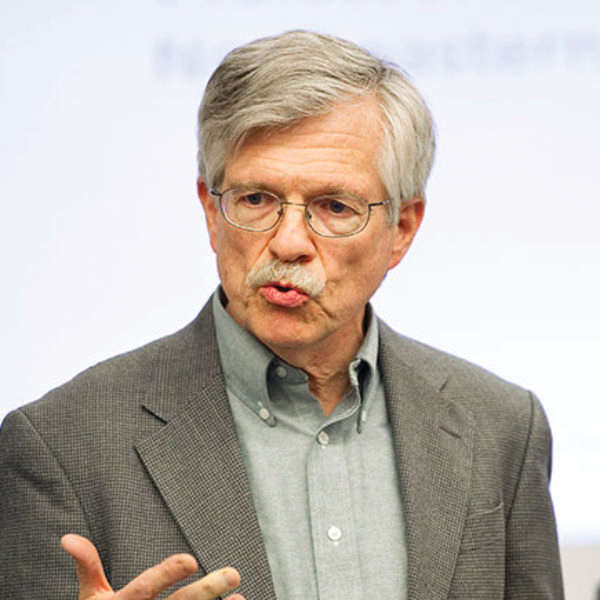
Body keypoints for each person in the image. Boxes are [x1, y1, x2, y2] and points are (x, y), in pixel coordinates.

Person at [0, 30, 563, 600]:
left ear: (403, 229)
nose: (288, 242)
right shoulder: (61, 446)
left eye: (334, 206)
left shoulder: (501, 429)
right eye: (256, 200)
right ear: (211, 212)